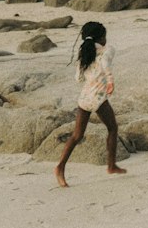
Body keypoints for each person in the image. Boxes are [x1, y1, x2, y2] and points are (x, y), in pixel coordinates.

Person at [54, 20, 127, 187]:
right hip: (98, 98)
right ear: (101, 38)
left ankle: (60, 167)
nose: (106, 40)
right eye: (105, 37)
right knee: (113, 128)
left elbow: (78, 78)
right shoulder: (108, 50)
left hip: (84, 98)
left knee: (76, 135)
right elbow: (105, 64)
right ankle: (111, 165)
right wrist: (110, 81)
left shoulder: (84, 53)